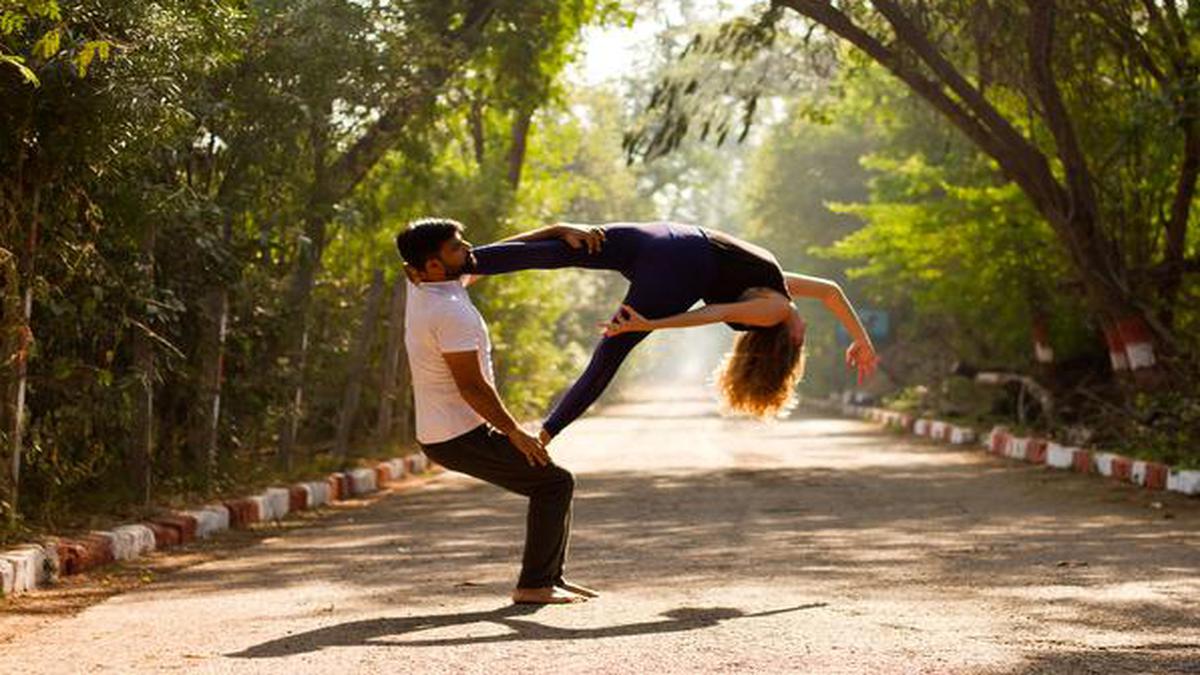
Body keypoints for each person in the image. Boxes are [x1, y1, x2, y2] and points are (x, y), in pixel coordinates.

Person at [456, 220, 879, 445]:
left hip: (664, 235)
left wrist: (652, 323)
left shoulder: (773, 305)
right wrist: (649, 324)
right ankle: (546, 434)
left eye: (804, 338)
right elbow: (829, 292)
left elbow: (716, 311)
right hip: (678, 265)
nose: (806, 328)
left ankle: (467, 263)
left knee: (565, 246)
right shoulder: (779, 299)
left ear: (791, 340)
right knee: (609, 356)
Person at [395, 217, 603, 605]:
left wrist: (555, 230)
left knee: (552, 483)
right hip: (457, 435)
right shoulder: (448, 311)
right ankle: (535, 585)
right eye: (457, 247)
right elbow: (471, 386)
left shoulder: (427, 284)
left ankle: (549, 578)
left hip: (451, 430)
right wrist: (514, 432)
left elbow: (502, 253)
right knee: (553, 484)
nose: (469, 248)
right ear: (433, 265)